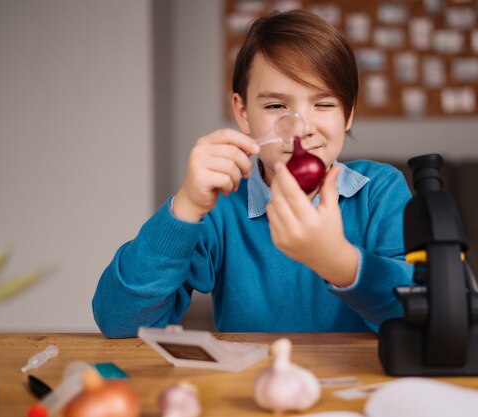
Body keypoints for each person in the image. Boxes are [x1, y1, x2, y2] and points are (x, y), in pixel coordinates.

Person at [92, 9, 413, 338]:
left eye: (324, 104)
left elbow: (422, 319)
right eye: (276, 106)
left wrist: (340, 263)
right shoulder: (222, 205)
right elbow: (121, 323)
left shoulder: (381, 192)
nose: (300, 130)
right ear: (243, 113)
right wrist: (185, 207)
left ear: (348, 115)